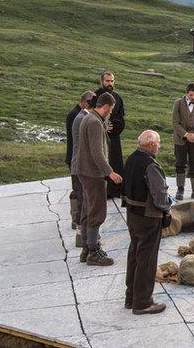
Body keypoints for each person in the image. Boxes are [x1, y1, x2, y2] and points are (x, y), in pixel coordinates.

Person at [121, 130, 173, 315]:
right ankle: (142, 303)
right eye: (158, 143)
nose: (159, 146)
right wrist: (168, 205)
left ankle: (131, 298)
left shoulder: (132, 158)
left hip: (133, 215)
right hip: (148, 217)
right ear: (151, 144)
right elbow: (159, 197)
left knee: (134, 255)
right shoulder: (150, 165)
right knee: (147, 260)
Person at [75, 91, 124, 266]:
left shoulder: (88, 117)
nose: (110, 113)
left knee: (87, 210)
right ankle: (94, 252)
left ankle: (87, 249)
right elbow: (97, 152)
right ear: (105, 106)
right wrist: (110, 172)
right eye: (110, 110)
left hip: (85, 171)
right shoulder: (95, 122)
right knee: (96, 211)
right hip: (92, 173)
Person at [68, 90, 96, 245]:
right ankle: (81, 237)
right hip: (80, 166)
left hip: (82, 166)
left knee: (85, 201)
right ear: (85, 102)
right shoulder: (81, 118)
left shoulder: (84, 117)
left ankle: (84, 236)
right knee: (81, 201)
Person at [94, 72, 126, 199]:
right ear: (102, 81)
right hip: (99, 135)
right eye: (107, 81)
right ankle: (104, 191)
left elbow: (121, 117)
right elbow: (92, 115)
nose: (109, 83)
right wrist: (103, 126)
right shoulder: (96, 96)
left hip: (114, 136)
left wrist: (114, 125)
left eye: (111, 81)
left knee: (115, 161)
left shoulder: (118, 98)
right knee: (102, 158)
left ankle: (116, 189)